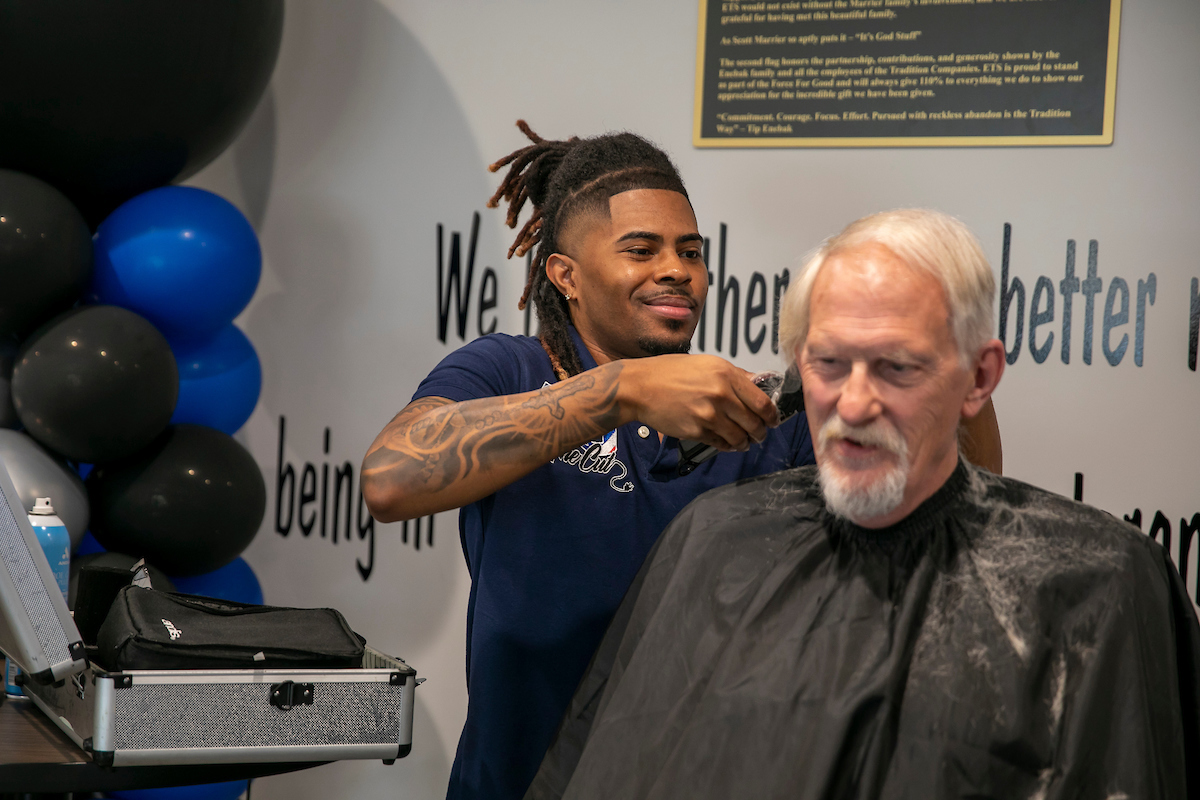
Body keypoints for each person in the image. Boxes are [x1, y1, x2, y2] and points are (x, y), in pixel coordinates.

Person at [524, 209, 1200, 800]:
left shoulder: (1097, 585)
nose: (853, 404)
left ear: (979, 377)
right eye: (829, 364)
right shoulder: (711, 541)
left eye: (896, 367)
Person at [361, 122, 817, 800]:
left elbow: (956, 497)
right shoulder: (506, 369)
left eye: (690, 252)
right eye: (641, 249)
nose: (676, 270)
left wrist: (940, 375)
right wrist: (619, 391)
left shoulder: (748, 413)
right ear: (565, 275)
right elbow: (390, 479)